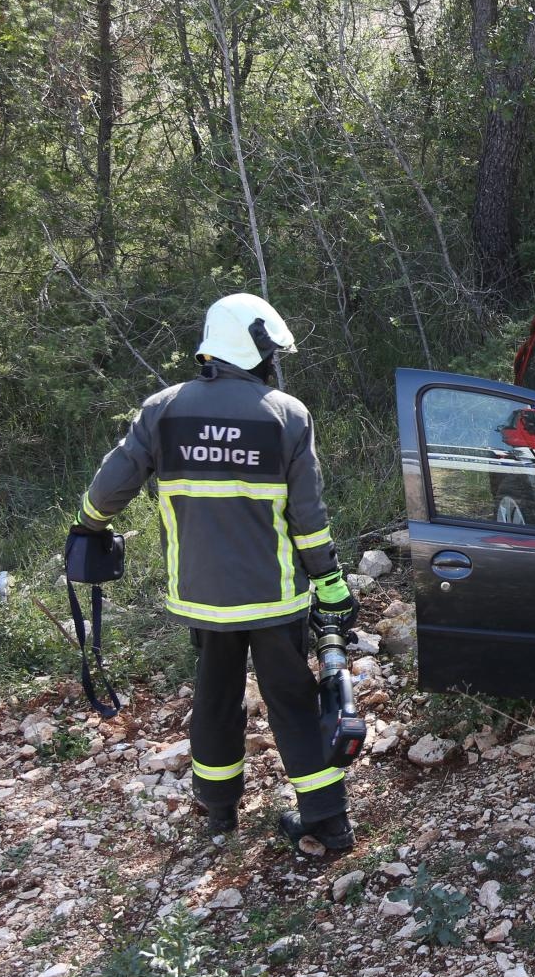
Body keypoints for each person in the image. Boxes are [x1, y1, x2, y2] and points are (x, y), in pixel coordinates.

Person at [70, 293, 360, 851]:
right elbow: (309, 519)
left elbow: (110, 489)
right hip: (274, 597)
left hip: (202, 598)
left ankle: (220, 814)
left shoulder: (162, 410)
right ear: (252, 348)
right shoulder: (287, 414)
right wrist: (330, 581)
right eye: (271, 350)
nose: (275, 359)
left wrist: (87, 526)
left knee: (215, 699)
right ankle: (327, 820)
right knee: (293, 702)